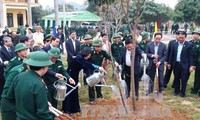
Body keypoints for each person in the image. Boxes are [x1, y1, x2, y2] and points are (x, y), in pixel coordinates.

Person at [6, 51, 53, 119]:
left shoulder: (18, 76)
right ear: (45, 67)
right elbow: (43, 113)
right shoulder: (39, 85)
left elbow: (10, 96)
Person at [64, 47, 106, 113]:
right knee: (70, 91)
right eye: (89, 54)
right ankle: (68, 109)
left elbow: (85, 67)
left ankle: (75, 108)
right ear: (86, 54)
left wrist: (88, 75)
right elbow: (87, 65)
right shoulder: (79, 58)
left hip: (75, 75)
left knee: (75, 91)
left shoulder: (83, 59)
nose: (90, 56)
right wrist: (98, 67)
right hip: (70, 75)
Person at [88, 39, 115, 104]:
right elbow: (87, 63)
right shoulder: (90, 53)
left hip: (99, 71)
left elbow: (109, 57)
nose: (99, 48)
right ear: (94, 47)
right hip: (90, 70)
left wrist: (115, 62)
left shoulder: (103, 52)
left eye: (100, 46)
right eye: (97, 47)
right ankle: (91, 99)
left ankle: (99, 96)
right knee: (91, 85)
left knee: (99, 83)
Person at [168, 31, 194, 97]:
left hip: (185, 65)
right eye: (179, 37)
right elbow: (172, 54)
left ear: (185, 37)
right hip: (176, 64)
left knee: (184, 79)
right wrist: (169, 63)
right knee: (176, 78)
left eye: (182, 38)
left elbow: (191, 56)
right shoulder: (174, 44)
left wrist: (191, 66)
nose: (181, 39)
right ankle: (176, 91)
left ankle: (182, 93)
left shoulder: (189, 45)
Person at [189, 29, 200, 96]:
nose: (195, 35)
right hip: (190, 62)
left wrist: (195, 65)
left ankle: (197, 89)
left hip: (198, 62)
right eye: (194, 34)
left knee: (198, 76)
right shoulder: (190, 42)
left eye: (197, 34)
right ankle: (195, 89)